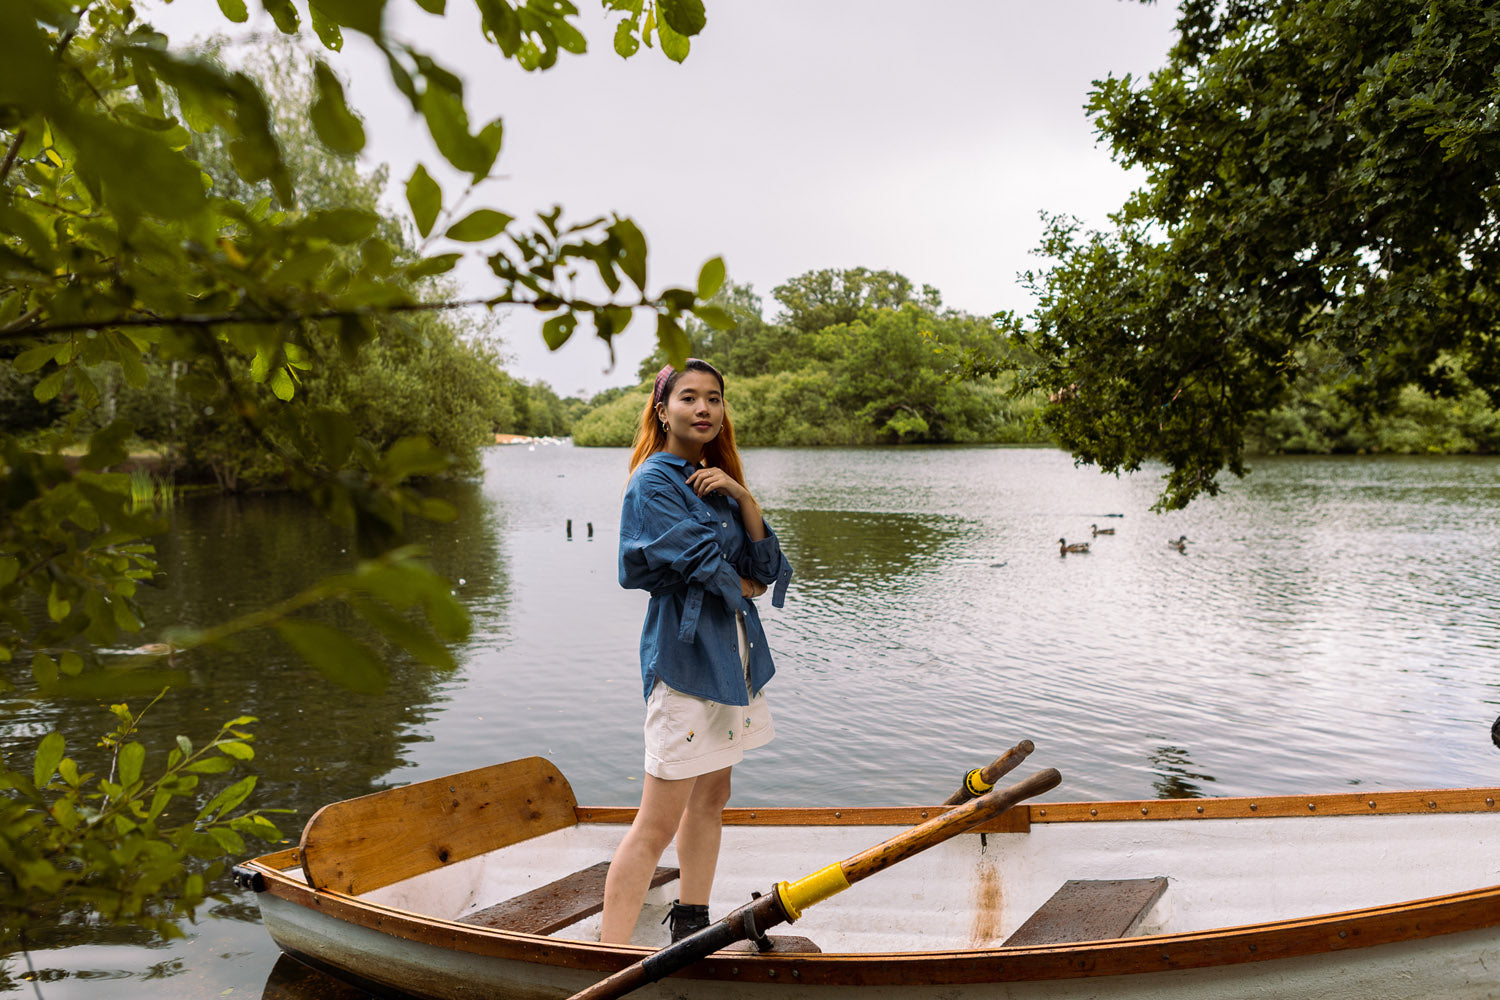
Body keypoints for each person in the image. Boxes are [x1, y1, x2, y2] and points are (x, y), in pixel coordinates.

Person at [600, 358, 793, 945]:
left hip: (732, 660)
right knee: (656, 820)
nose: (703, 408)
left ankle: (691, 921)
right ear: (664, 411)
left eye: (714, 398)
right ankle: (607, 951)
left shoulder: (714, 481)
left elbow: (766, 568)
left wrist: (743, 494)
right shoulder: (653, 483)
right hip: (685, 662)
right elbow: (707, 566)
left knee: (713, 796)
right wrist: (743, 582)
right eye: (689, 398)